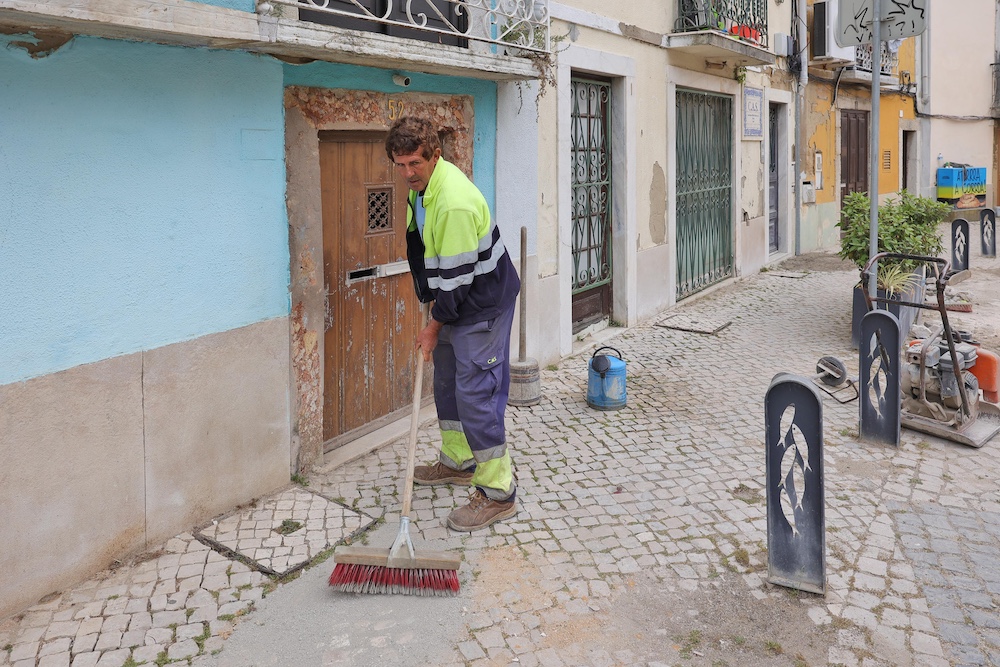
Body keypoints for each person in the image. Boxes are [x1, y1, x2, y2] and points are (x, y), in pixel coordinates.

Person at [385, 116, 521, 532]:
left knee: (476, 392)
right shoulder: (423, 191)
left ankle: (498, 491)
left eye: (415, 164)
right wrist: (432, 306)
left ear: (435, 155)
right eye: (401, 164)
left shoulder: (455, 201)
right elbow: (425, 250)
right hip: (452, 300)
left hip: (481, 305)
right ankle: (459, 460)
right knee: (446, 383)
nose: (408, 173)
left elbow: (460, 278)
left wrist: (433, 324)